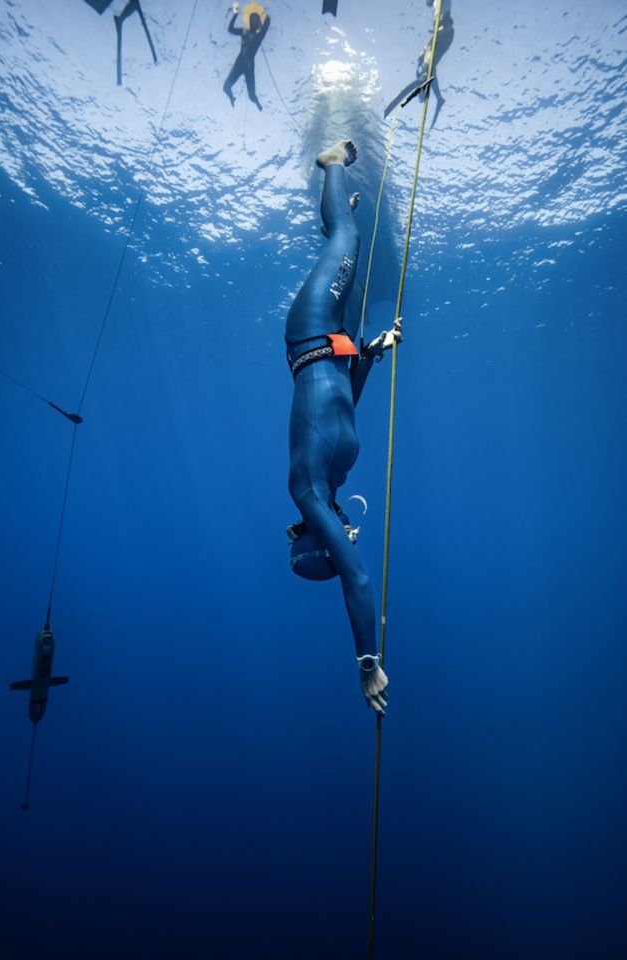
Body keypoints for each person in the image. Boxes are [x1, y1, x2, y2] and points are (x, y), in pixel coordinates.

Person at [285, 140, 402, 715]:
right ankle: (339, 210)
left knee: (347, 240)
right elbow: (343, 407)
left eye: (337, 547)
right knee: (349, 257)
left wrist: (367, 662)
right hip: (339, 351)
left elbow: (357, 582)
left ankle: (330, 163)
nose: (347, 540)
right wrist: (371, 357)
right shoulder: (329, 483)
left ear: (320, 542)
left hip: (310, 332)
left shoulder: (308, 492)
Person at [223, 2, 271, 111]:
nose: (254, 20)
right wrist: (236, 13)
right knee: (226, 88)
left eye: (256, 18)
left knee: (251, 96)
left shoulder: (259, 36)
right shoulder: (244, 32)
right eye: (252, 18)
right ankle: (232, 98)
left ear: (259, 23)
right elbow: (230, 29)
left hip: (249, 67)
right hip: (239, 64)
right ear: (249, 21)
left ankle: (257, 102)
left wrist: (266, 16)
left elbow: (267, 24)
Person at [416, 0, 454, 130]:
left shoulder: (440, 4)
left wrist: (447, 22)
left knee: (428, 67)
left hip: (445, 31)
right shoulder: (435, 5)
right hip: (442, 33)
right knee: (427, 65)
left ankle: (430, 92)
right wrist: (423, 51)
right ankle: (433, 94)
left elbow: (447, 14)